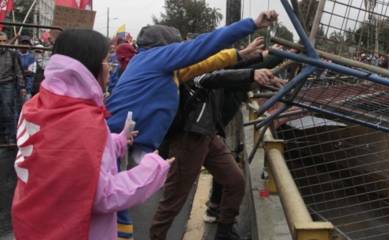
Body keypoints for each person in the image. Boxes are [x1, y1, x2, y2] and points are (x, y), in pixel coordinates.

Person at [11, 29, 173, 240]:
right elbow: (103, 195)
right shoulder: (84, 121)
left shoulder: (36, 105)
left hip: (32, 225)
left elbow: (64, 156)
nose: (109, 68)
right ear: (89, 68)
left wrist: (117, 141)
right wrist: (153, 168)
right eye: (106, 61)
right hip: (78, 230)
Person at [106, 10, 279, 161]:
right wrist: (252, 24)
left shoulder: (158, 66)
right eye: (178, 45)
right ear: (167, 46)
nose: (181, 49)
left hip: (129, 142)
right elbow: (203, 46)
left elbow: (204, 64)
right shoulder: (159, 57)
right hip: (119, 140)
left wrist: (239, 54)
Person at [151, 48, 285, 239]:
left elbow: (233, 69)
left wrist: (259, 60)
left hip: (209, 134)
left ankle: (224, 232)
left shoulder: (216, 69)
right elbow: (218, 77)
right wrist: (252, 73)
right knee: (174, 200)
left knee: (236, 181)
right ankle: (156, 237)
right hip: (190, 137)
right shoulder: (190, 71)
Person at [0, 31, 25, 144]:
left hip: (7, 84)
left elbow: (18, 71)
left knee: (7, 110)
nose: (2, 43)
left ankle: (9, 136)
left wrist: (22, 87)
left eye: (4, 41)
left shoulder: (12, 54)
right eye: (0, 41)